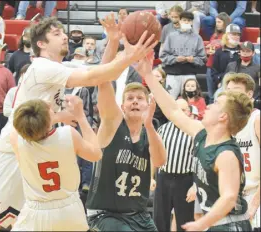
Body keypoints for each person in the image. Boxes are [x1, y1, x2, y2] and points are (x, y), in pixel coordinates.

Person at [0, 15, 158, 231]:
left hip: (37, 151)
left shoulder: (59, 67)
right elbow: (95, 77)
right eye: (56, 34)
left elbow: (101, 74)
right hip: (11, 152)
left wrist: (114, 41)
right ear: (41, 43)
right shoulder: (42, 67)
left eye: (63, 32)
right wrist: (130, 54)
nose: (65, 36)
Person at [133, 53, 253, 231]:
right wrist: (148, 76)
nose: (210, 105)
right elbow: (173, 111)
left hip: (230, 225)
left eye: (216, 104)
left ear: (223, 117)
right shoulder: (203, 134)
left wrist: (201, 224)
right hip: (215, 223)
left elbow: (229, 197)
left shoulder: (226, 154)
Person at [10, 96, 101, 231]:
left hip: (36, 212)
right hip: (70, 211)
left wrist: (51, 115)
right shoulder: (68, 134)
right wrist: (81, 116)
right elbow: (96, 154)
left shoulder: (16, 140)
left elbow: (24, 122)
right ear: (47, 123)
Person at [86, 81, 167, 231]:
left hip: (138, 215)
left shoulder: (151, 134)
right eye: (130, 98)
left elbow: (160, 161)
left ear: (148, 106)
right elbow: (103, 88)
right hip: (105, 213)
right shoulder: (112, 125)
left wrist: (148, 125)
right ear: (122, 107)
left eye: (140, 98)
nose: (135, 101)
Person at [223, 73, 260, 230]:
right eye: (228, 90)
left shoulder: (256, 119)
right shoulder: (228, 123)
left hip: (255, 195)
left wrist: (255, 203)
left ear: (250, 94)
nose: (231, 94)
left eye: (236, 90)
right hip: (234, 197)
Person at [154, 98, 196, 231]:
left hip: (185, 180)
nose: (182, 113)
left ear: (189, 112)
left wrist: (195, 185)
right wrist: (151, 177)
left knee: (184, 221)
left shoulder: (195, 131)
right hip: (163, 177)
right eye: (179, 109)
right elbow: (153, 154)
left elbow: (200, 160)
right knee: (159, 220)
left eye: (185, 110)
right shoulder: (162, 129)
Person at [160, 11, 206, 99]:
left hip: (189, 75)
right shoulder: (171, 36)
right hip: (172, 74)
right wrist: (175, 59)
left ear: (192, 22)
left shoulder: (197, 38)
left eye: (189, 21)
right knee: (170, 100)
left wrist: (193, 60)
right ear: (180, 21)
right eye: (184, 20)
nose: (186, 22)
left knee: (190, 101)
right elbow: (163, 56)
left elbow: (202, 58)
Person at [205, 12, 231, 104]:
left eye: (219, 22)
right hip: (211, 66)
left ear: (225, 23)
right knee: (211, 95)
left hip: (222, 68)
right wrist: (208, 52)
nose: (217, 24)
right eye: (216, 22)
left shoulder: (229, 36)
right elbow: (210, 49)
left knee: (223, 95)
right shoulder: (214, 35)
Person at [211, 24, 241, 91]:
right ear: (227, 35)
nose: (236, 36)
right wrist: (218, 82)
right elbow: (214, 71)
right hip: (223, 84)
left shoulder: (242, 51)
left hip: (239, 84)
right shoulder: (219, 51)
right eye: (233, 34)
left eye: (238, 35)